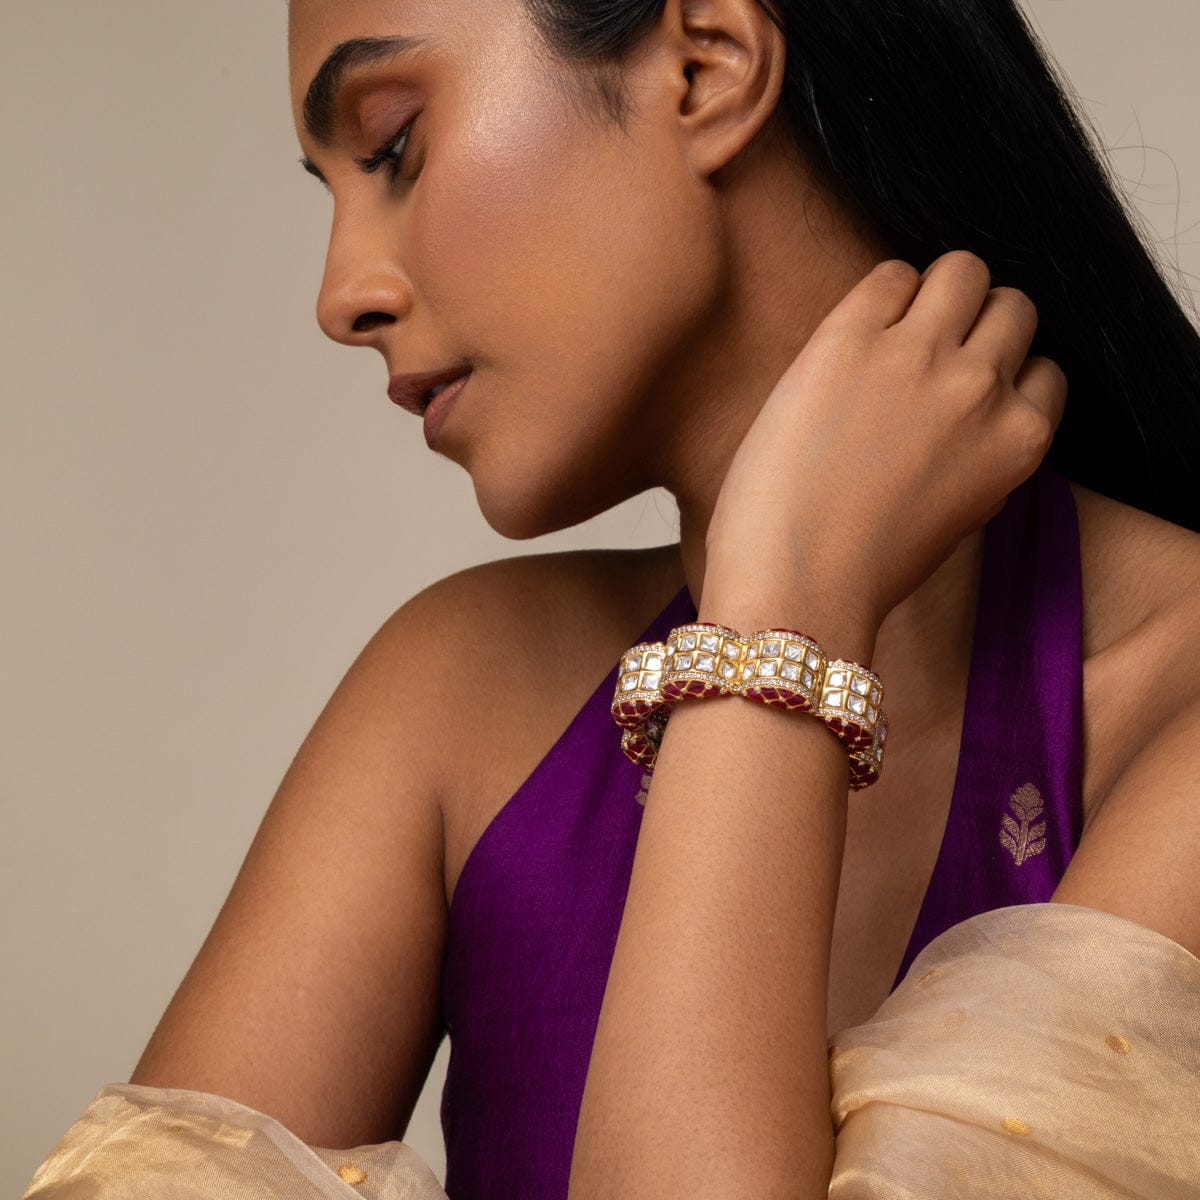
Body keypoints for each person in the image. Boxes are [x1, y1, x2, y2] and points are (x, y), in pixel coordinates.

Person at [24, 0, 1200, 1197]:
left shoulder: (1178, 715)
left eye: (394, 149)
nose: (341, 298)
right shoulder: (459, 699)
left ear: (707, 67)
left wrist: (780, 616)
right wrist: (785, 609)